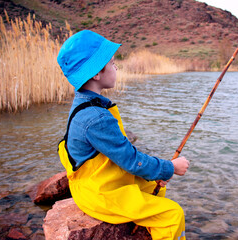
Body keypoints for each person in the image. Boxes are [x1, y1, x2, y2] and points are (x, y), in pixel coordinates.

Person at [57, 29, 190, 240]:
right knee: (173, 214)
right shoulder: (95, 118)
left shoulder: (87, 104)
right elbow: (131, 160)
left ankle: (146, 227)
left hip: (100, 184)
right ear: (96, 73)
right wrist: (169, 168)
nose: (116, 67)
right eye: (111, 62)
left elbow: (122, 156)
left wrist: (157, 174)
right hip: (99, 194)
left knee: (154, 185)